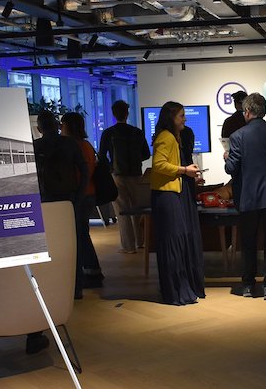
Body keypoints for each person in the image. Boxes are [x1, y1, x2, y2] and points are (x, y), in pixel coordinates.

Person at [27, 111, 88, 354]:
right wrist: (78, 195)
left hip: (46, 203)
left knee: (50, 251)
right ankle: (76, 288)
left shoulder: (37, 146)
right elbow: (83, 171)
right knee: (72, 246)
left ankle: (61, 291)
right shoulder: (70, 144)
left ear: (40, 127)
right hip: (67, 200)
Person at [224, 93, 266, 300]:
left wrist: (227, 158)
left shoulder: (237, 137)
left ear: (246, 111)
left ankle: (248, 285)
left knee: (248, 242)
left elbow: (231, 169)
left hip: (248, 196)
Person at [150, 101, 206, 305]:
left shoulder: (173, 137)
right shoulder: (166, 137)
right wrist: (184, 171)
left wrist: (188, 174)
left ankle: (179, 289)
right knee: (174, 241)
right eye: (181, 116)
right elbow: (159, 165)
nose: (185, 119)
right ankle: (176, 291)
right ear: (171, 118)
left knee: (177, 240)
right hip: (167, 196)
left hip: (171, 194)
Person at [99, 100, 150, 254]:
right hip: (136, 175)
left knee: (122, 210)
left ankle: (128, 246)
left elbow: (102, 155)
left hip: (117, 175)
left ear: (114, 114)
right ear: (127, 113)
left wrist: (110, 168)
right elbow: (146, 154)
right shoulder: (137, 132)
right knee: (137, 208)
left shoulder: (108, 133)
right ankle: (141, 241)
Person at [60, 111, 103, 289]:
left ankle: (88, 271)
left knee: (79, 235)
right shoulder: (86, 145)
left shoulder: (72, 146)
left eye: (62, 124)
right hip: (89, 194)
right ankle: (91, 270)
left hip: (79, 195)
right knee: (82, 233)